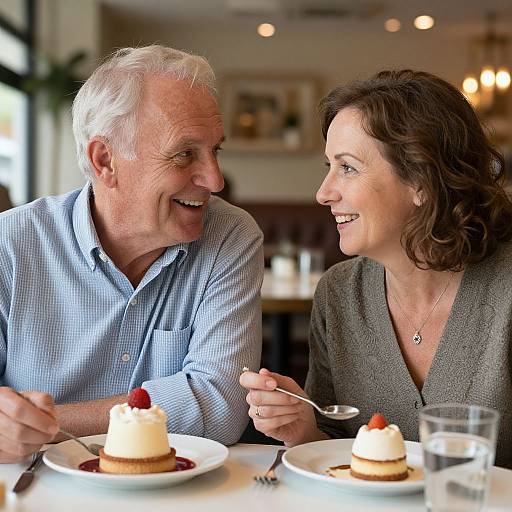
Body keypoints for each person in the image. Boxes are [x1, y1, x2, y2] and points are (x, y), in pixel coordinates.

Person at [0, 45, 264, 463]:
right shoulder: (10, 245)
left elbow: (221, 405)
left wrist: (46, 422)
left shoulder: (229, 236)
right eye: (185, 154)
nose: (214, 179)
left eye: (216, 150)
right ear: (105, 160)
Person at [240, 70, 512, 469]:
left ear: (421, 179)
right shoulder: (339, 292)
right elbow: (334, 444)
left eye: (347, 167)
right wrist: (302, 429)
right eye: (328, 166)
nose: (323, 192)